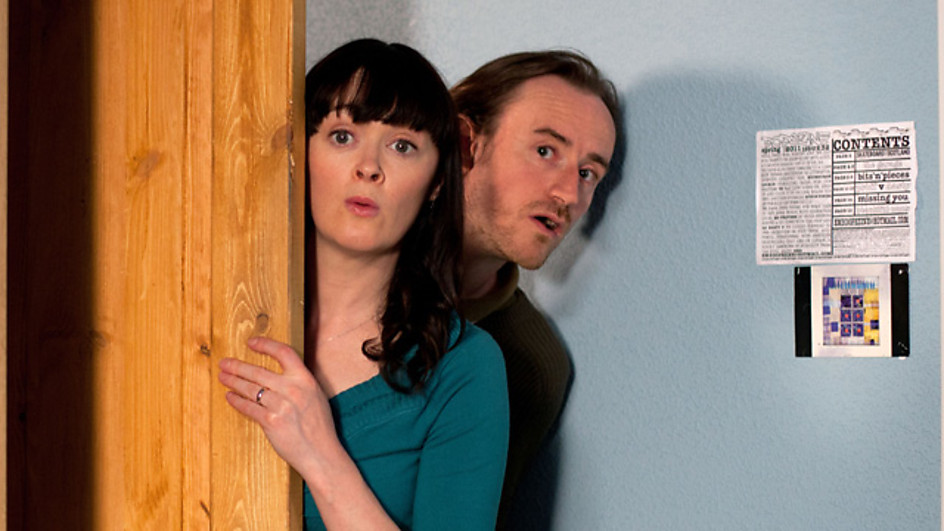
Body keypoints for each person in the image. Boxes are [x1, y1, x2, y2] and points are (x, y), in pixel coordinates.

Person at [218, 39, 509, 530]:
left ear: (436, 183)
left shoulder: (464, 368)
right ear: (299, 151)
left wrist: (320, 455)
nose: (368, 167)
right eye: (342, 136)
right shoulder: (214, 315)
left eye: (402, 146)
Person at [450, 51, 620, 525]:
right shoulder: (332, 272)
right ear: (465, 145)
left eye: (588, 173)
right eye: (546, 151)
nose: (569, 194)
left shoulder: (528, 362)